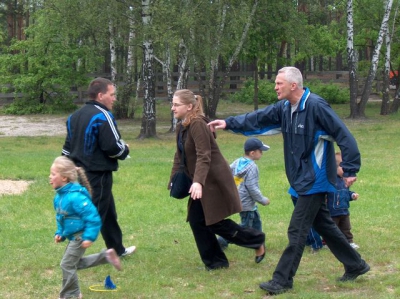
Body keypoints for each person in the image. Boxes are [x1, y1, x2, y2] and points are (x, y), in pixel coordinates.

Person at [208, 66, 369, 295]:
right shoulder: (284, 108)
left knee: (297, 231)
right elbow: (259, 118)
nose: (275, 87)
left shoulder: (315, 106)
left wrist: (350, 168)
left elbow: (343, 134)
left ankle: (282, 280)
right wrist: (229, 123)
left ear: (293, 85)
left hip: (316, 179)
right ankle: (356, 264)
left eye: (278, 83)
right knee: (323, 225)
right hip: (300, 179)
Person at [168, 89, 266, 271]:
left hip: (212, 181)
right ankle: (216, 262)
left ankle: (255, 240)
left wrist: (198, 182)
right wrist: (173, 179)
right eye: (172, 104)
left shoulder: (197, 124)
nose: (172, 108)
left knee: (214, 222)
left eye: (176, 104)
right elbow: (179, 155)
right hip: (199, 180)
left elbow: (204, 155)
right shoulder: (182, 126)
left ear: (189, 106)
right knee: (198, 221)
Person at [62, 77, 135, 257]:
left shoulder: (74, 116)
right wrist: (124, 150)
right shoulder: (103, 116)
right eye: (112, 94)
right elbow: (112, 146)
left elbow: (66, 149)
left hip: (80, 172)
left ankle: (117, 249)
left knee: (108, 212)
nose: (114, 98)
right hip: (98, 174)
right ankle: (71, 257)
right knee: (93, 214)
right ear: (101, 95)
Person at [50, 156, 122, 299]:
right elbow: (61, 218)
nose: (50, 177)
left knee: (66, 265)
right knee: (75, 264)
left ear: (64, 178)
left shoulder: (76, 197)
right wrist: (60, 233)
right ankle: (106, 256)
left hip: (80, 236)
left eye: (53, 174)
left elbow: (93, 217)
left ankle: (71, 294)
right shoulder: (59, 197)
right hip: (73, 236)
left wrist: (89, 236)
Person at [218, 137, 271, 251]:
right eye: (260, 151)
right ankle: (222, 240)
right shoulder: (252, 167)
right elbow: (252, 188)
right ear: (252, 153)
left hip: (238, 199)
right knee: (244, 227)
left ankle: (259, 243)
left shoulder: (238, 162)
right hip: (246, 202)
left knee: (256, 222)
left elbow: (227, 171)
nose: (262, 153)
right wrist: (262, 199)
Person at [327, 152, 360, 249]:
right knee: (332, 228)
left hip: (344, 210)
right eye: (344, 168)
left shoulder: (344, 180)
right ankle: (330, 243)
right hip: (332, 211)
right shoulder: (331, 181)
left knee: (346, 228)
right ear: (335, 167)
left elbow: (346, 193)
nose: (346, 171)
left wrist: (352, 195)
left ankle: (349, 241)